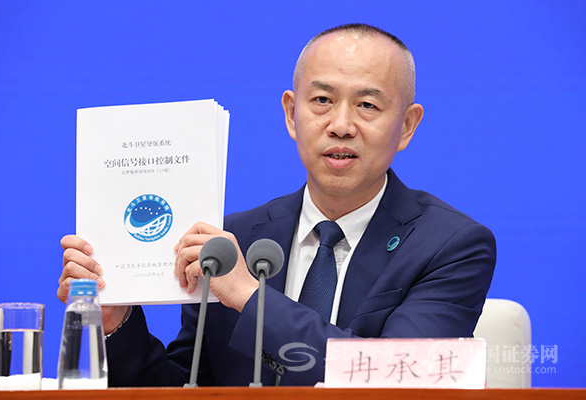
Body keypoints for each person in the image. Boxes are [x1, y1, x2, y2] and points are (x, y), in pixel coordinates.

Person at [58, 23, 495, 386]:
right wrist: (114, 322)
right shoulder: (233, 239)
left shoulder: (451, 245)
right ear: (291, 113)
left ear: (407, 126)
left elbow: (395, 382)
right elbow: (186, 388)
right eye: (322, 100)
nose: (341, 125)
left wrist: (250, 296)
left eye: (367, 105)